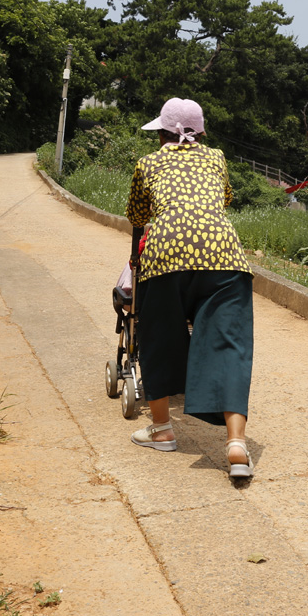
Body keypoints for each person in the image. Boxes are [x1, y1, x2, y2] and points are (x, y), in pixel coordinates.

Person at [124, 97, 255, 479]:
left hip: (165, 255)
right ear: (200, 133)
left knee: (160, 338)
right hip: (225, 257)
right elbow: (225, 199)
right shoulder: (216, 158)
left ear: (161, 133)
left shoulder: (148, 163)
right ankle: (236, 444)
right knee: (229, 344)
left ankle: (163, 430)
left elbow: (136, 214)